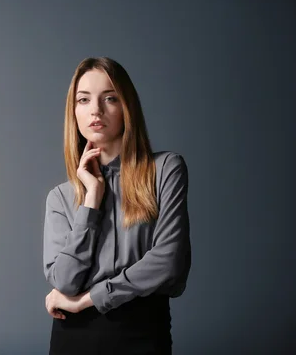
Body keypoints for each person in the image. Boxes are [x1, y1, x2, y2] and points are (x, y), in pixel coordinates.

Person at [43, 57, 191, 355]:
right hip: (72, 340)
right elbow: (65, 281)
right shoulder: (59, 197)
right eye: (83, 100)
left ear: (127, 106)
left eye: (109, 98)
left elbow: (168, 263)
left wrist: (88, 300)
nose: (95, 110)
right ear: (74, 112)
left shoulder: (165, 170)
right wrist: (92, 198)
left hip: (142, 336)